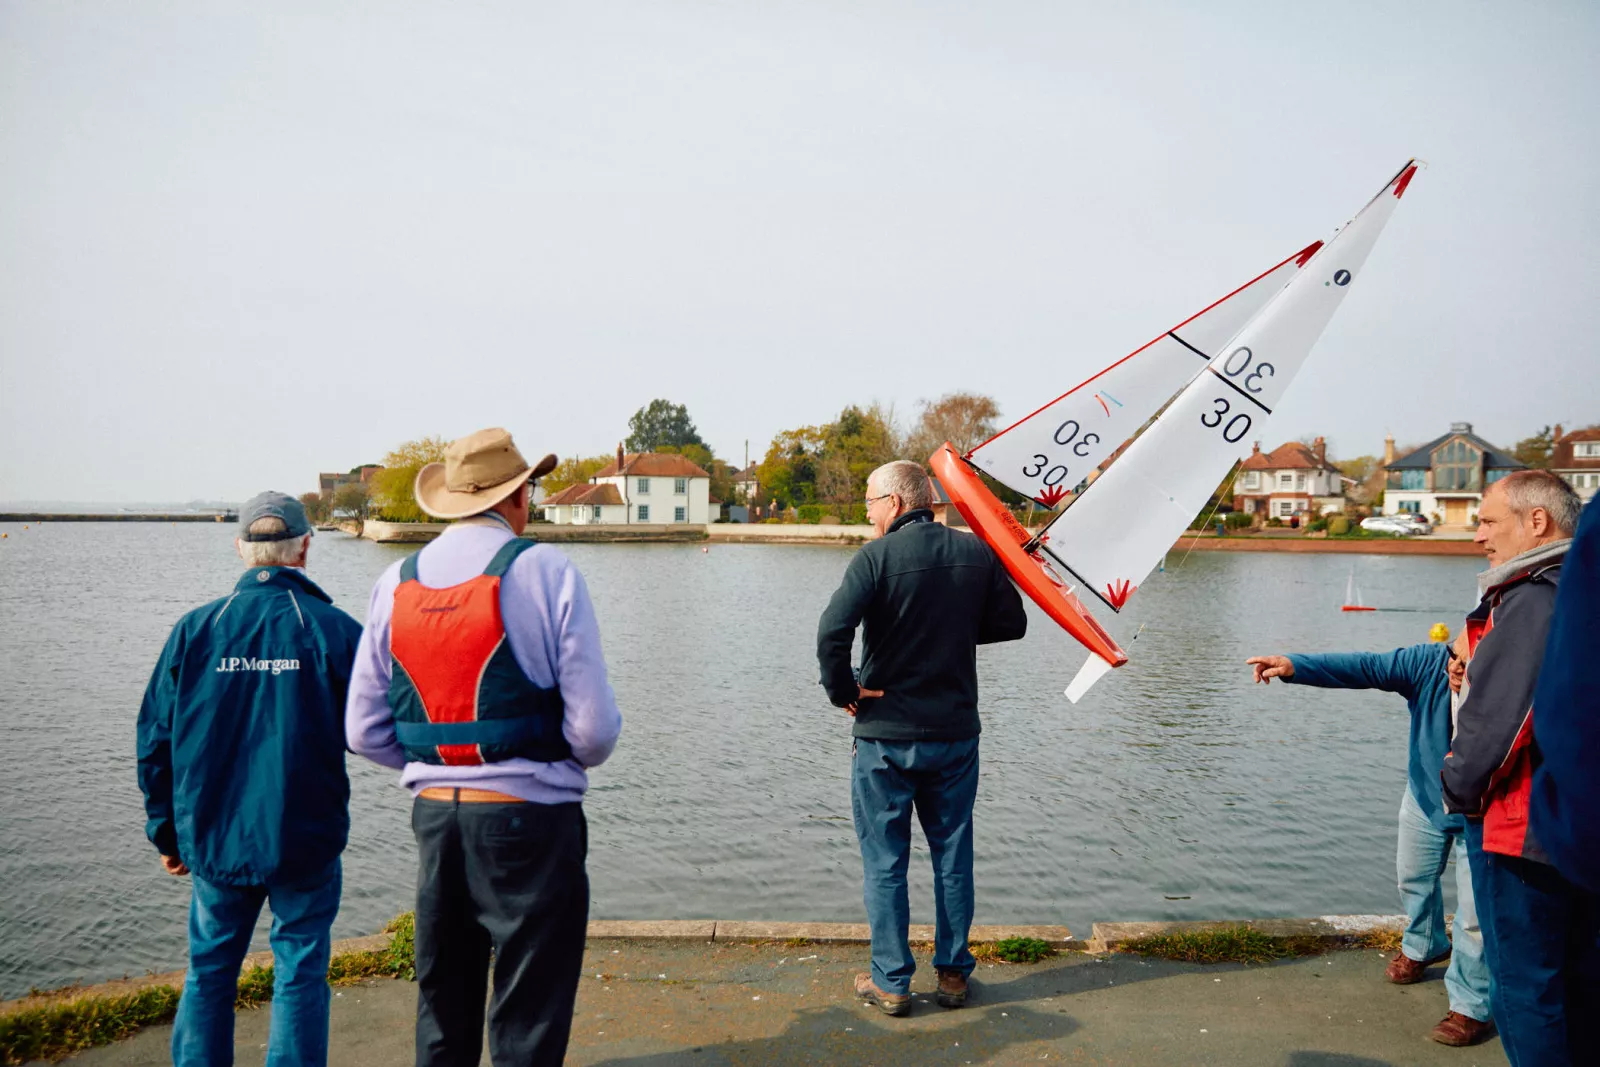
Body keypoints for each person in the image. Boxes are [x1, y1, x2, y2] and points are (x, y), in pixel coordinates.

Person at [346, 427, 622, 1067]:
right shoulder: (547, 570)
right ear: (518, 496)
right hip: (532, 824)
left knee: (443, 1003)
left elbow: (362, 731)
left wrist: (431, 763)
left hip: (437, 819)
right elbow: (595, 733)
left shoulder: (394, 581)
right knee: (527, 1012)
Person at [137, 491, 363, 1066]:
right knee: (300, 969)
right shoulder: (334, 630)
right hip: (304, 837)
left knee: (210, 969)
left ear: (240, 549)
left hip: (213, 835)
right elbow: (374, 729)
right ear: (306, 548)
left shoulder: (195, 629)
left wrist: (167, 832)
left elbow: (155, 739)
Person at [816, 459, 1027, 1016]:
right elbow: (1012, 623)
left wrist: (845, 692)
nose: (866, 513)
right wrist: (952, 627)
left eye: (869, 502)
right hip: (955, 733)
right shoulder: (977, 552)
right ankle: (954, 976)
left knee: (885, 860)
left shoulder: (875, 558)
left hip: (885, 738)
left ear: (896, 503)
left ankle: (891, 981)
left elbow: (831, 632)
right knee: (953, 854)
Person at [1245, 626, 1492, 1047]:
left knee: (1474, 919)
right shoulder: (1425, 664)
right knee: (1412, 879)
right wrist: (1294, 666)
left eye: (1469, 663)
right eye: (1455, 655)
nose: (1456, 666)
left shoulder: (1511, 684)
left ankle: (1471, 1006)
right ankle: (1424, 946)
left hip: (1483, 812)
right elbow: (1365, 666)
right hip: (1426, 797)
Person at [1441, 470, 1583, 1066]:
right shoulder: (1581, 590)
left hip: (1521, 828)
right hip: (1575, 824)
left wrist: (1454, 787)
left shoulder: (1531, 599)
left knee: (1526, 990)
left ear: (1536, 522)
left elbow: (1499, 725)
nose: (1478, 535)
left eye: (1487, 521)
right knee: (1575, 982)